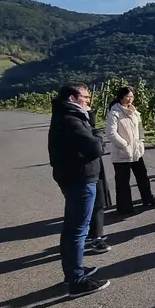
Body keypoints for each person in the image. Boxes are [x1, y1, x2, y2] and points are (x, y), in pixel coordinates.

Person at [48, 82, 111, 297]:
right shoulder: (70, 120)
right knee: (77, 230)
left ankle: (74, 270)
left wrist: (90, 121)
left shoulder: (70, 116)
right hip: (80, 179)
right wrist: (98, 137)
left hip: (75, 176)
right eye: (85, 96)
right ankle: (76, 281)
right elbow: (95, 147)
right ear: (73, 98)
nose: (88, 100)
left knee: (75, 228)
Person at [106, 87, 155, 214]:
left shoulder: (135, 112)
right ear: (121, 98)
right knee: (123, 181)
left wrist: (141, 142)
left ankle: (148, 199)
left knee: (142, 176)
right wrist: (124, 145)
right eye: (128, 97)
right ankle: (125, 208)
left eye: (132, 96)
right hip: (122, 152)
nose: (130, 99)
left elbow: (140, 129)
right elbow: (111, 133)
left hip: (136, 151)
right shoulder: (114, 113)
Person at [85, 109, 113, 255]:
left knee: (98, 203)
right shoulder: (74, 123)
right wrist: (97, 137)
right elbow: (97, 147)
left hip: (94, 169)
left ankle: (96, 233)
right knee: (92, 205)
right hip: (86, 172)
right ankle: (94, 237)